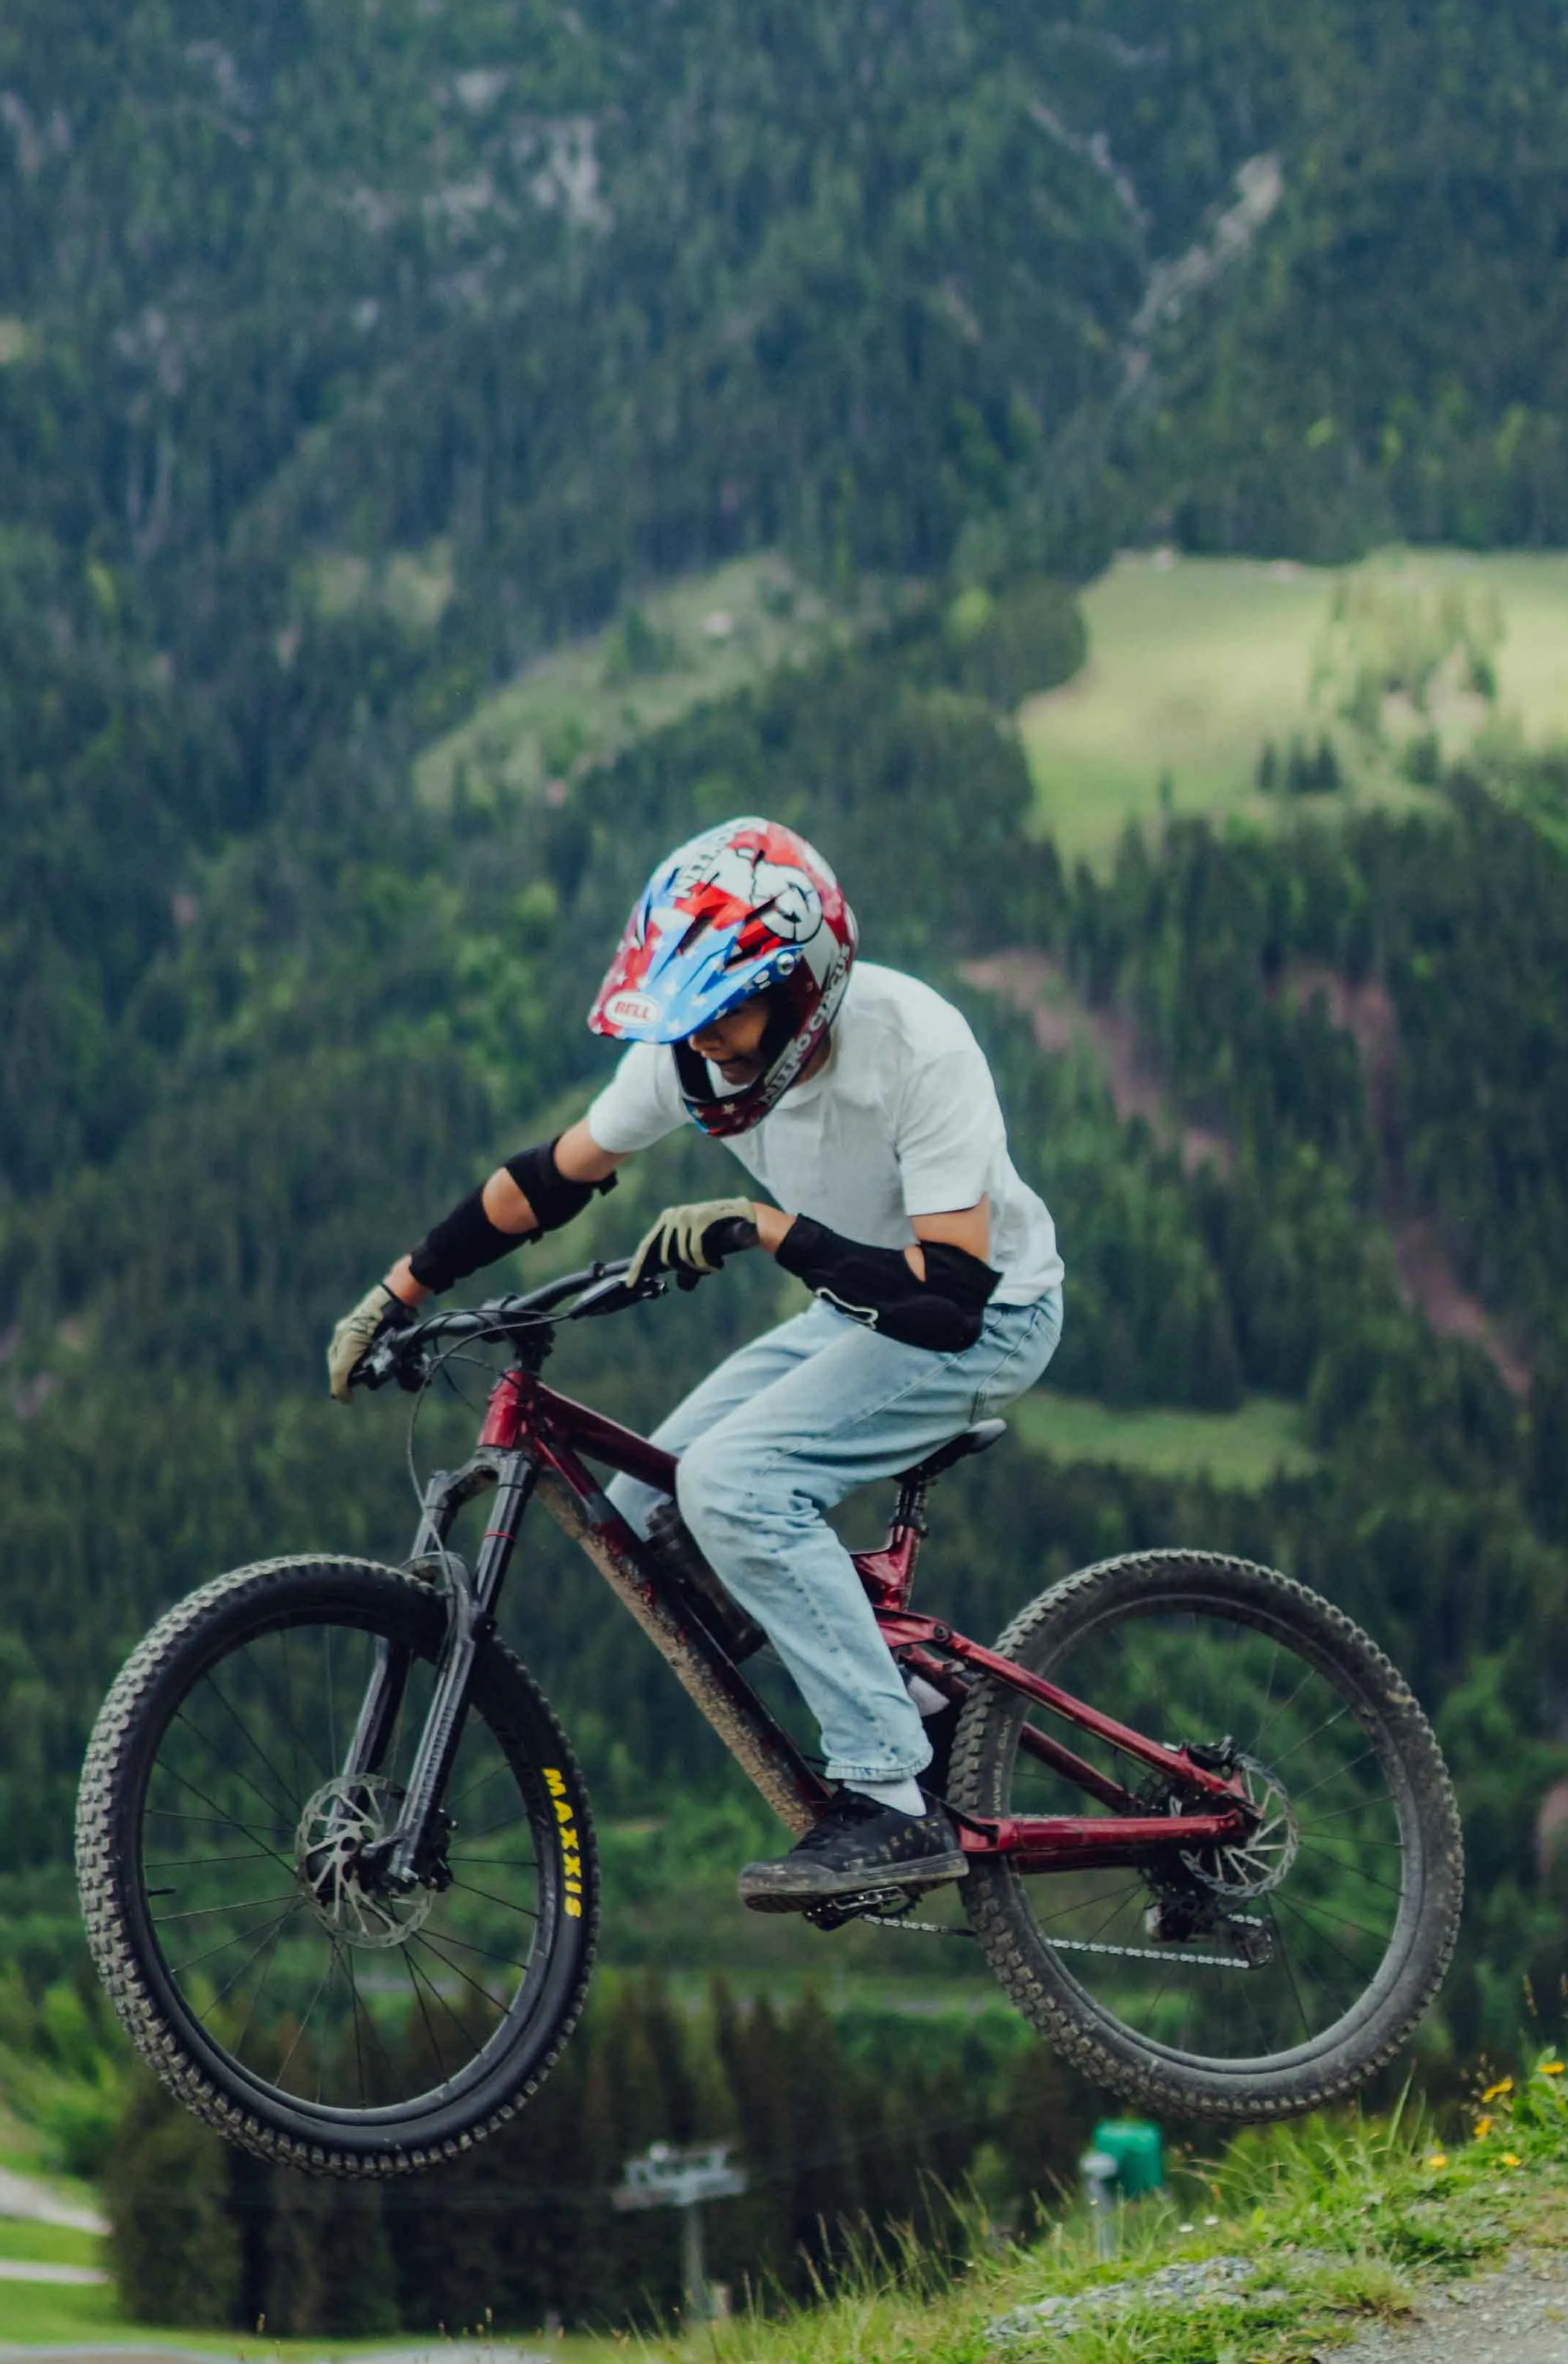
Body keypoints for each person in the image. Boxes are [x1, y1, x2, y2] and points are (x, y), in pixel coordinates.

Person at [327, 816, 1064, 1909]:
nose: (706, 1038)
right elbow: (550, 1178)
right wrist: (402, 1289)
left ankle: (891, 1798)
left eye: (727, 1009)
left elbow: (950, 1296)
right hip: (856, 1310)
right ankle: (906, 1703)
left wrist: (770, 1232)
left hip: (983, 1313)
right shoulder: (689, 1061)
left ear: (806, 984)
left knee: (736, 1485)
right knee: (642, 1514)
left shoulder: (919, 1049)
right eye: (689, 1015)